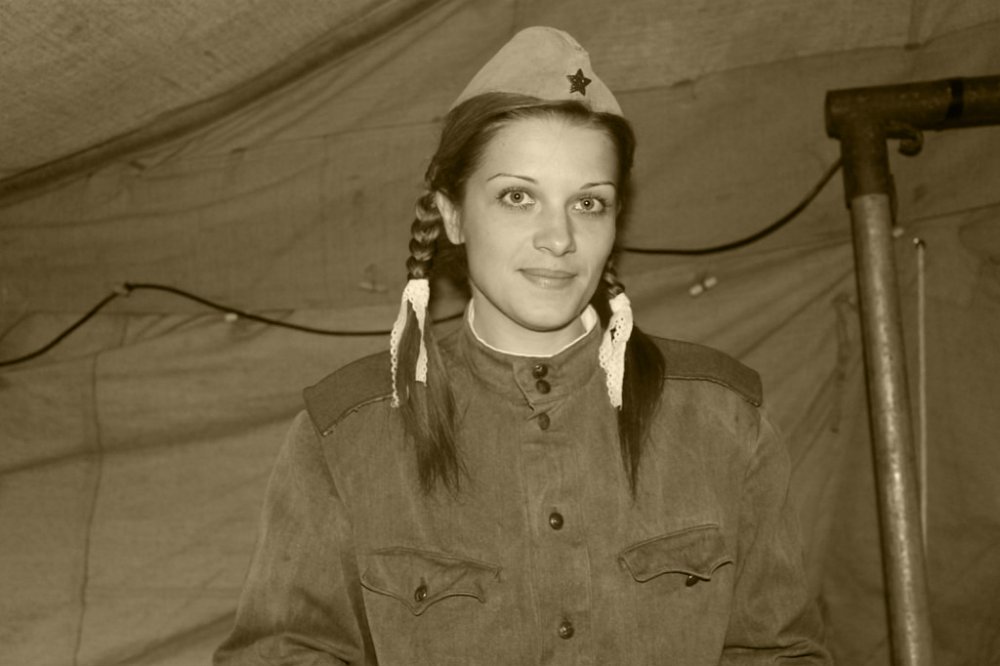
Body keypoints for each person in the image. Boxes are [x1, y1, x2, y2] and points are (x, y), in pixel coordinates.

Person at [214, 27, 831, 665]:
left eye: (588, 203)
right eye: (518, 197)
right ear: (453, 215)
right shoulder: (347, 436)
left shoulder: (723, 421)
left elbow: (779, 653)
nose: (558, 238)